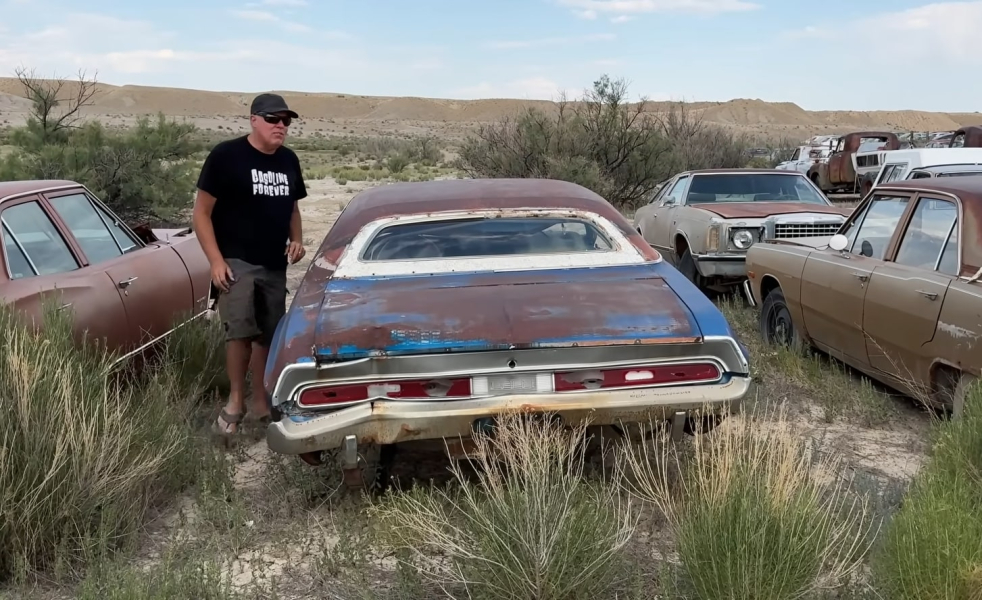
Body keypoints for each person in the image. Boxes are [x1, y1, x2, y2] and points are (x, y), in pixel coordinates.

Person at [192, 92, 307, 437]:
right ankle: (235, 403)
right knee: (239, 333)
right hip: (235, 261)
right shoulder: (226, 156)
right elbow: (201, 214)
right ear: (254, 119)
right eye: (273, 119)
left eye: (286, 121)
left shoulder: (288, 160)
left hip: (274, 263)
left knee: (267, 336)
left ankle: (260, 403)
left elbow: (293, 208)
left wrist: (297, 239)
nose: (281, 126)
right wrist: (215, 261)